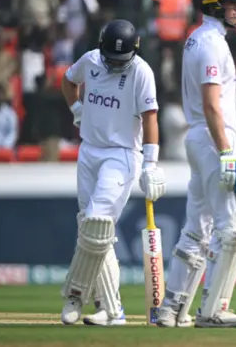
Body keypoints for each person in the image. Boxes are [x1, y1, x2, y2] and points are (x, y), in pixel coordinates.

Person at [156, 0, 236, 329]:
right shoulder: (211, 43)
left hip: (200, 139)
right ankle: (213, 310)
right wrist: (226, 151)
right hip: (215, 139)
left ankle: (171, 308)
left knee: (197, 227)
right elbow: (213, 105)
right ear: (214, 5)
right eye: (233, 3)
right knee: (231, 228)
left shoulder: (196, 38)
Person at [60, 19, 166, 326]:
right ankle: (111, 309)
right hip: (89, 150)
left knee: (97, 222)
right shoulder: (91, 60)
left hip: (121, 155)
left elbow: (150, 117)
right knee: (92, 230)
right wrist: (77, 110)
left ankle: (75, 294)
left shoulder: (141, 71)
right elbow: (68, 81)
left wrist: (151, 163)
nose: (115, 65)